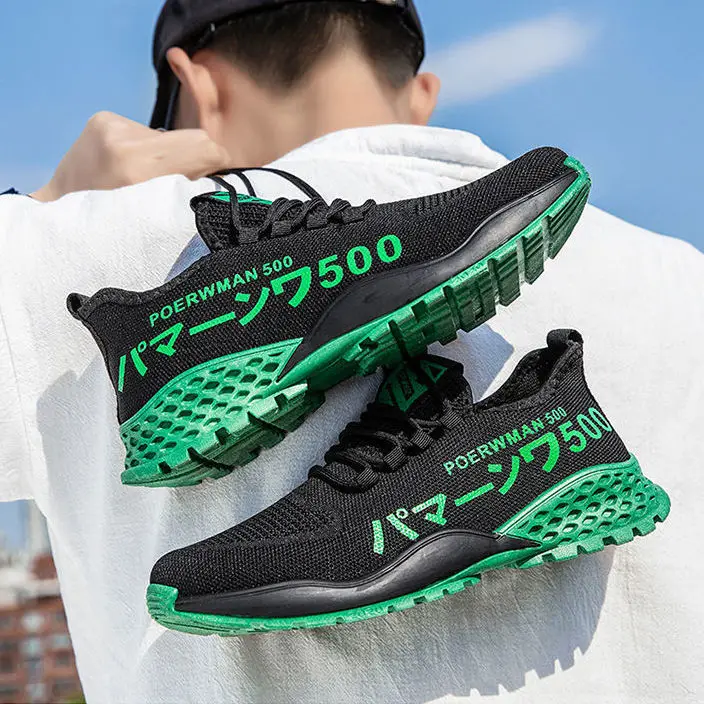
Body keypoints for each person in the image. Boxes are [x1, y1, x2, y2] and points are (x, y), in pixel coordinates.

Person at [0, 1, 702, 702]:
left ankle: (276, 317)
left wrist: (50, 203)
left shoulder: (76, 245)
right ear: (422, 94)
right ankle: (550, 433)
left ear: (197, 87)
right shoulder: (682, 278)